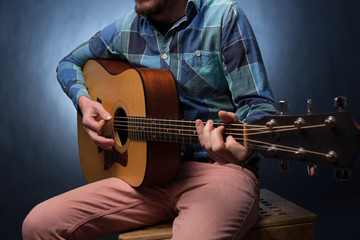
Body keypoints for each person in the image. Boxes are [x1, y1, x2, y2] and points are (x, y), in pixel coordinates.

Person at [22, 0, 278, 239]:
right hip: (145, 178)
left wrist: (242, 141)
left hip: (219, 173)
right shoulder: (127, 28)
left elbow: (258, 105)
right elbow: (68, 63)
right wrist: (84, 102)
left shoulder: (223, 16)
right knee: (38, 225)